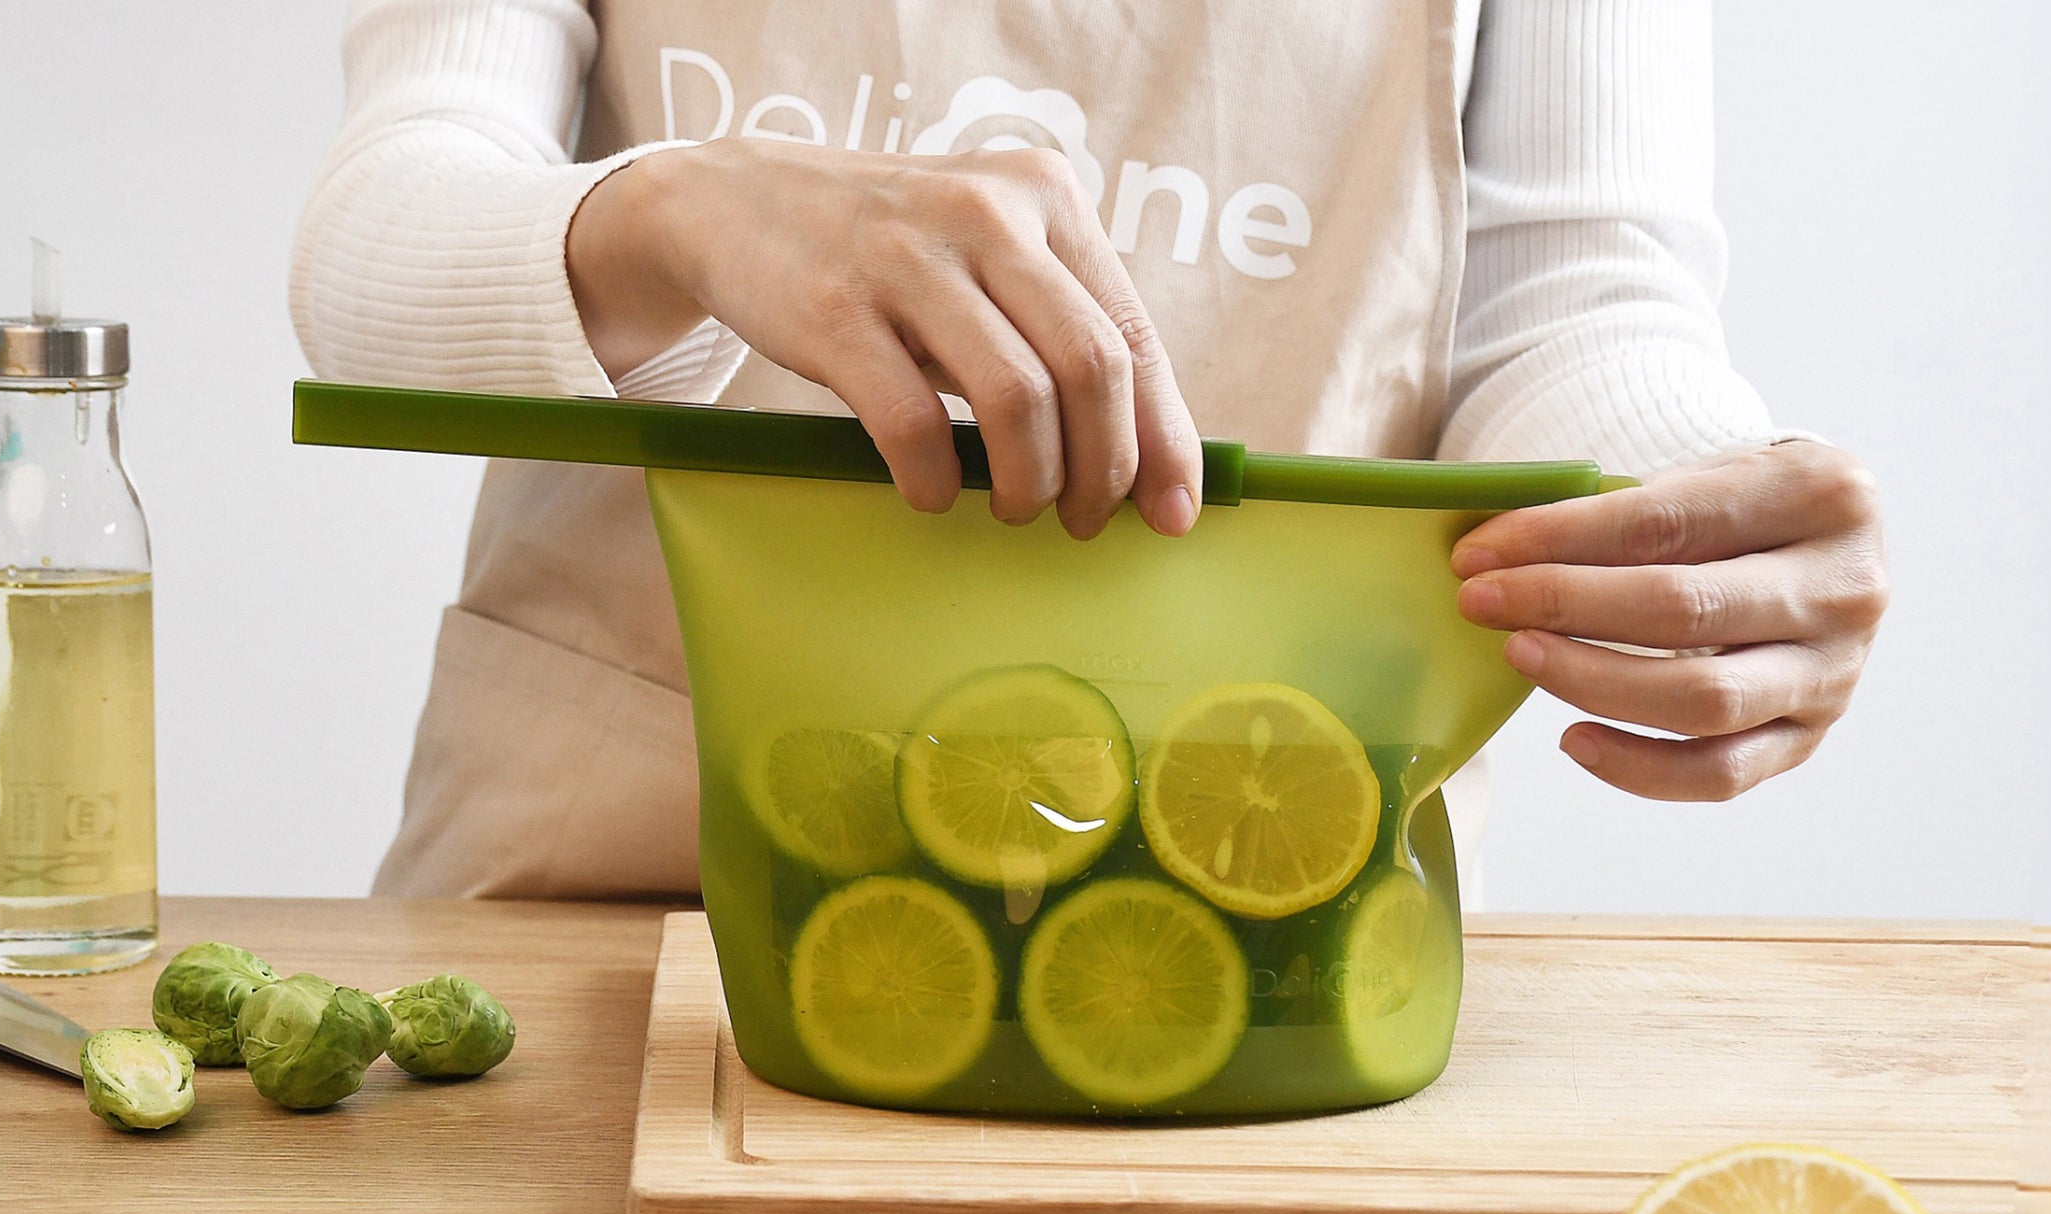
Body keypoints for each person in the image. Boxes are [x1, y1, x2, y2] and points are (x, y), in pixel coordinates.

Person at [293, 0, 1887, 901]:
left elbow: (1567, 309)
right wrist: (680, 210)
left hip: (1246, 882)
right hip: (624, 896)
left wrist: (1708, 497)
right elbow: (371, 251)